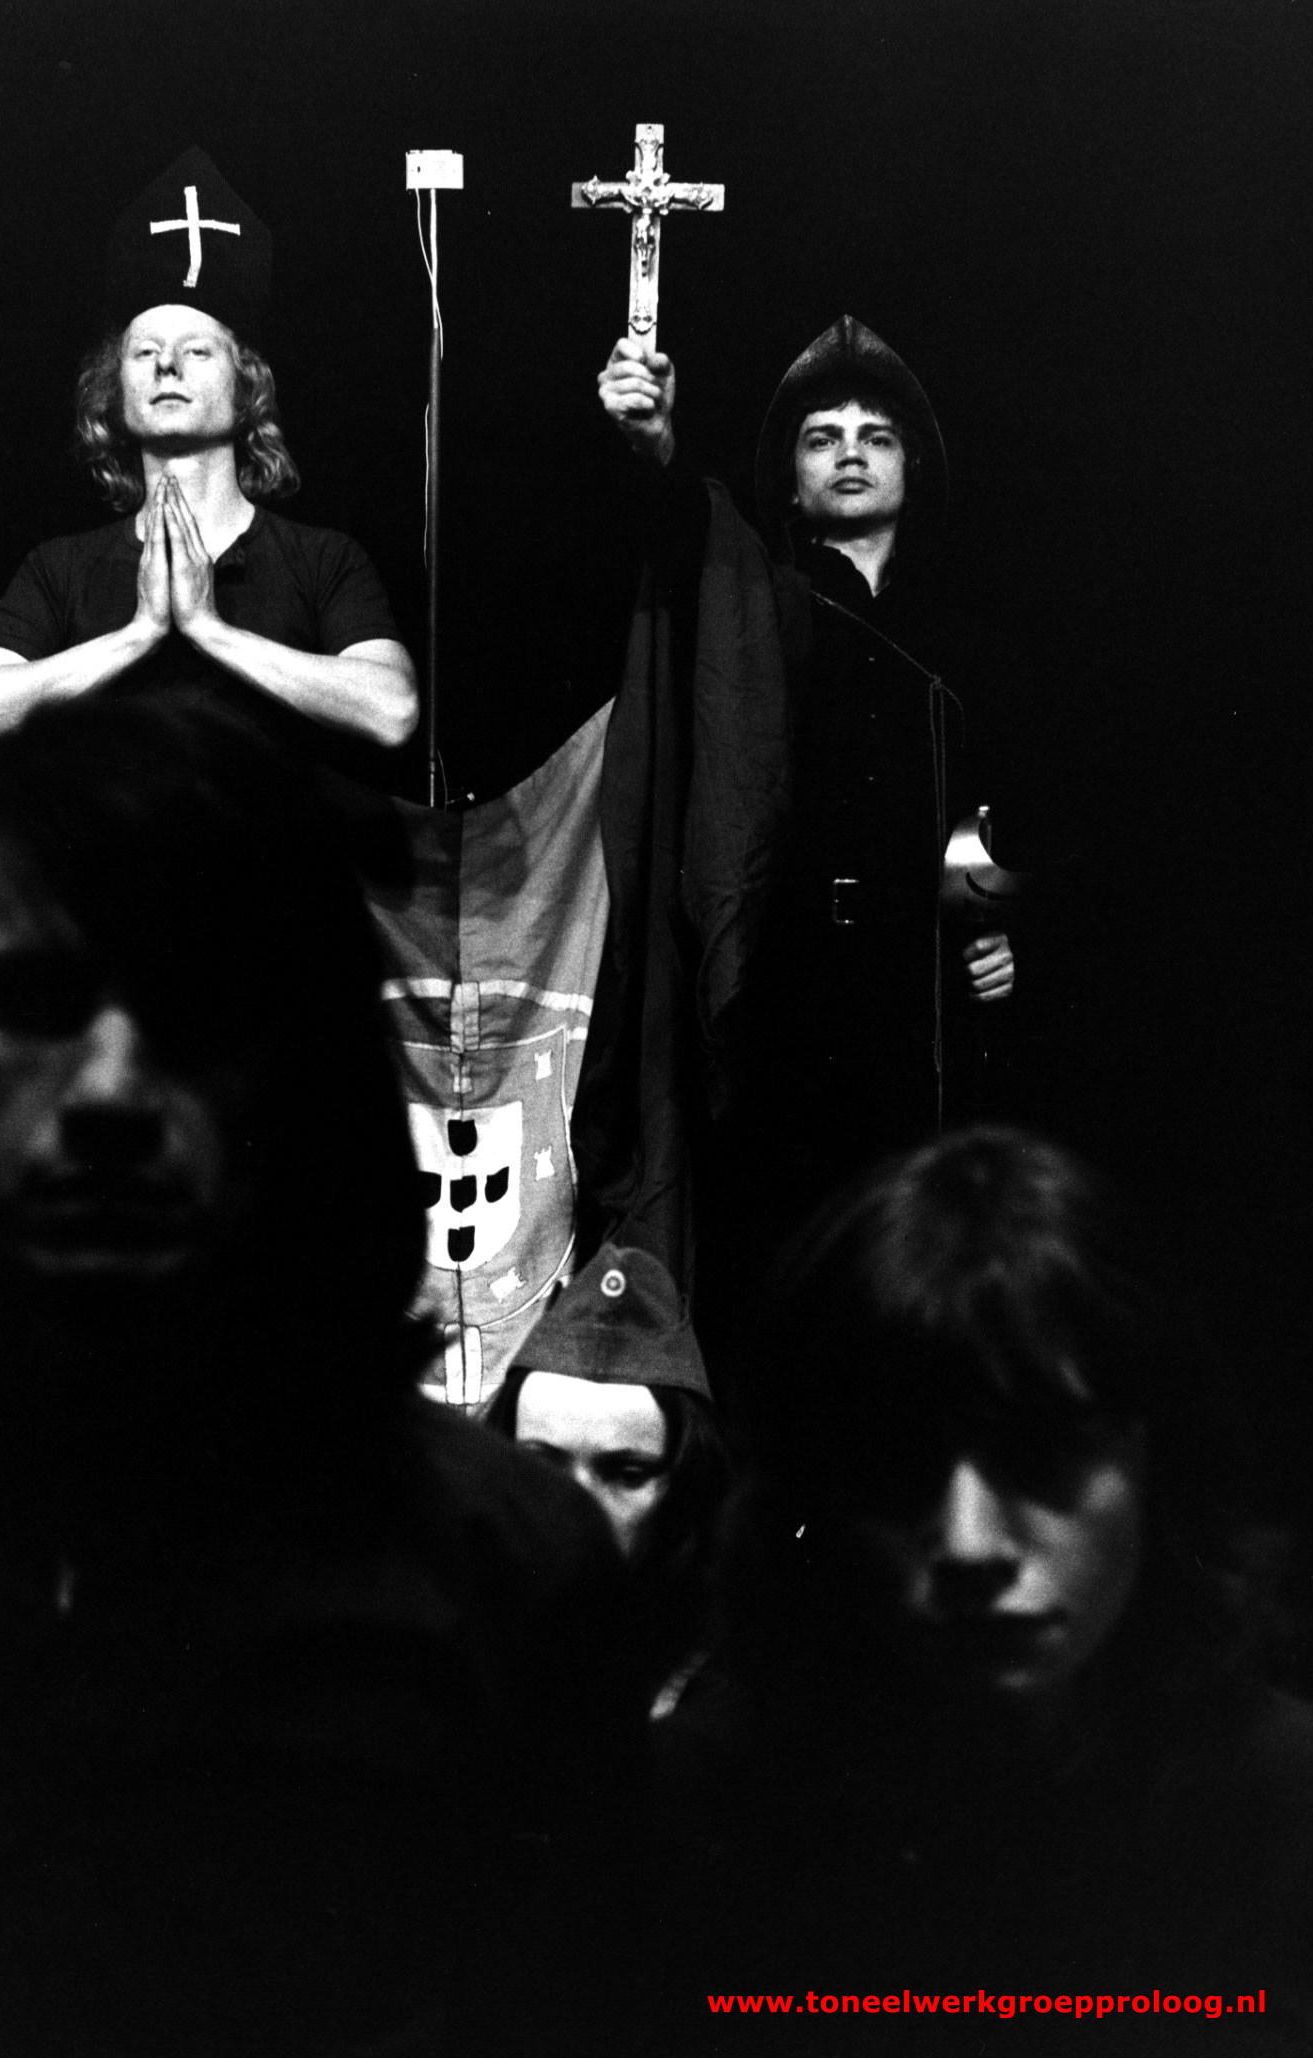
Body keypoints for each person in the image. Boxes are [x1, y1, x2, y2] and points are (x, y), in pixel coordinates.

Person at [0, 692, 643, 2056]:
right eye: (32, 1002)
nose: (109, 1090)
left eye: (193, 1011)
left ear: (298, 1069)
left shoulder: (505, 1571)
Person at [652, 1129, 1312, 2051]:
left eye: (1040, 1454)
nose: (968, 1543)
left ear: (1159, 1463)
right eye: (897, 1466)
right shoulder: (690, 1814)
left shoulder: (1282, 1809)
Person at [578, 319, 1049, 1337]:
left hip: (920, 995)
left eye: (875, 436)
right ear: (791, 480)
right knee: (791, 1264)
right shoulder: (752, 598)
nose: (848, 452)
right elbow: (677, 517)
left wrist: (1002, 933)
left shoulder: (966, 641)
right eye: (821, 437)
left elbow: (1004, 816)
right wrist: (653, 443)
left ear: (910, 469)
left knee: (922, 1264)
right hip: (787, 983)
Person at [0, 147, 416, 764]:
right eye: (144, 351)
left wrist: (208, 629)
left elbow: (393, 710)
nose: (167, 364)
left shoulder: (322, 560)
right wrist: (140, 633)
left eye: (197, 350)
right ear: (115, 391)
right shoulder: (60, 568)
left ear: (245, 387)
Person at [484, 1243, 729, 1718]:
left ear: (685, 1489)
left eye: (625, 1474)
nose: (577, 1506)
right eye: (541, 1466)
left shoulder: (724, 1695)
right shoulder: (451, 1653)